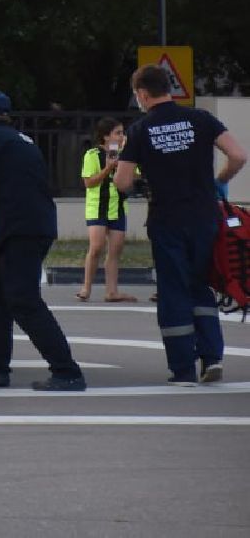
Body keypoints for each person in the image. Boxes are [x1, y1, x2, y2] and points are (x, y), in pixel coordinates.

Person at [114, 64, 247, 385]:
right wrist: (218, 182)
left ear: (142, 93)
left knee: (173, 290)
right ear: (168, 88)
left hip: (167, 220)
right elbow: (238, 155)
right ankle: (212, 357)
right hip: (205, 217)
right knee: (200, 284)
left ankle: (183, 367)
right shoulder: (201, 119)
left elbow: (122, 182)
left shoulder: (140, 130)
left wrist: (140, 185)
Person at [0, 87, 86, 391]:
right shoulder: (22, 140)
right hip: (34, 226)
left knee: (23, 301)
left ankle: (67, 371)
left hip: (19, 231)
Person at [78, 117, 139, 302]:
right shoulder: (92, 154)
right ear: (106, 137)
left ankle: (112, 291)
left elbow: (134, 177)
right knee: (96, 247)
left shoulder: (125, 155)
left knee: (115, 250)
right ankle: (86, 288)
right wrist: (107, 169)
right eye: (117, 133)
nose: (121, 136)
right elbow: (89, 182)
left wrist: (125, 165)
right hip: (98, 206)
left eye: (122, 133)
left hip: (118, 206)